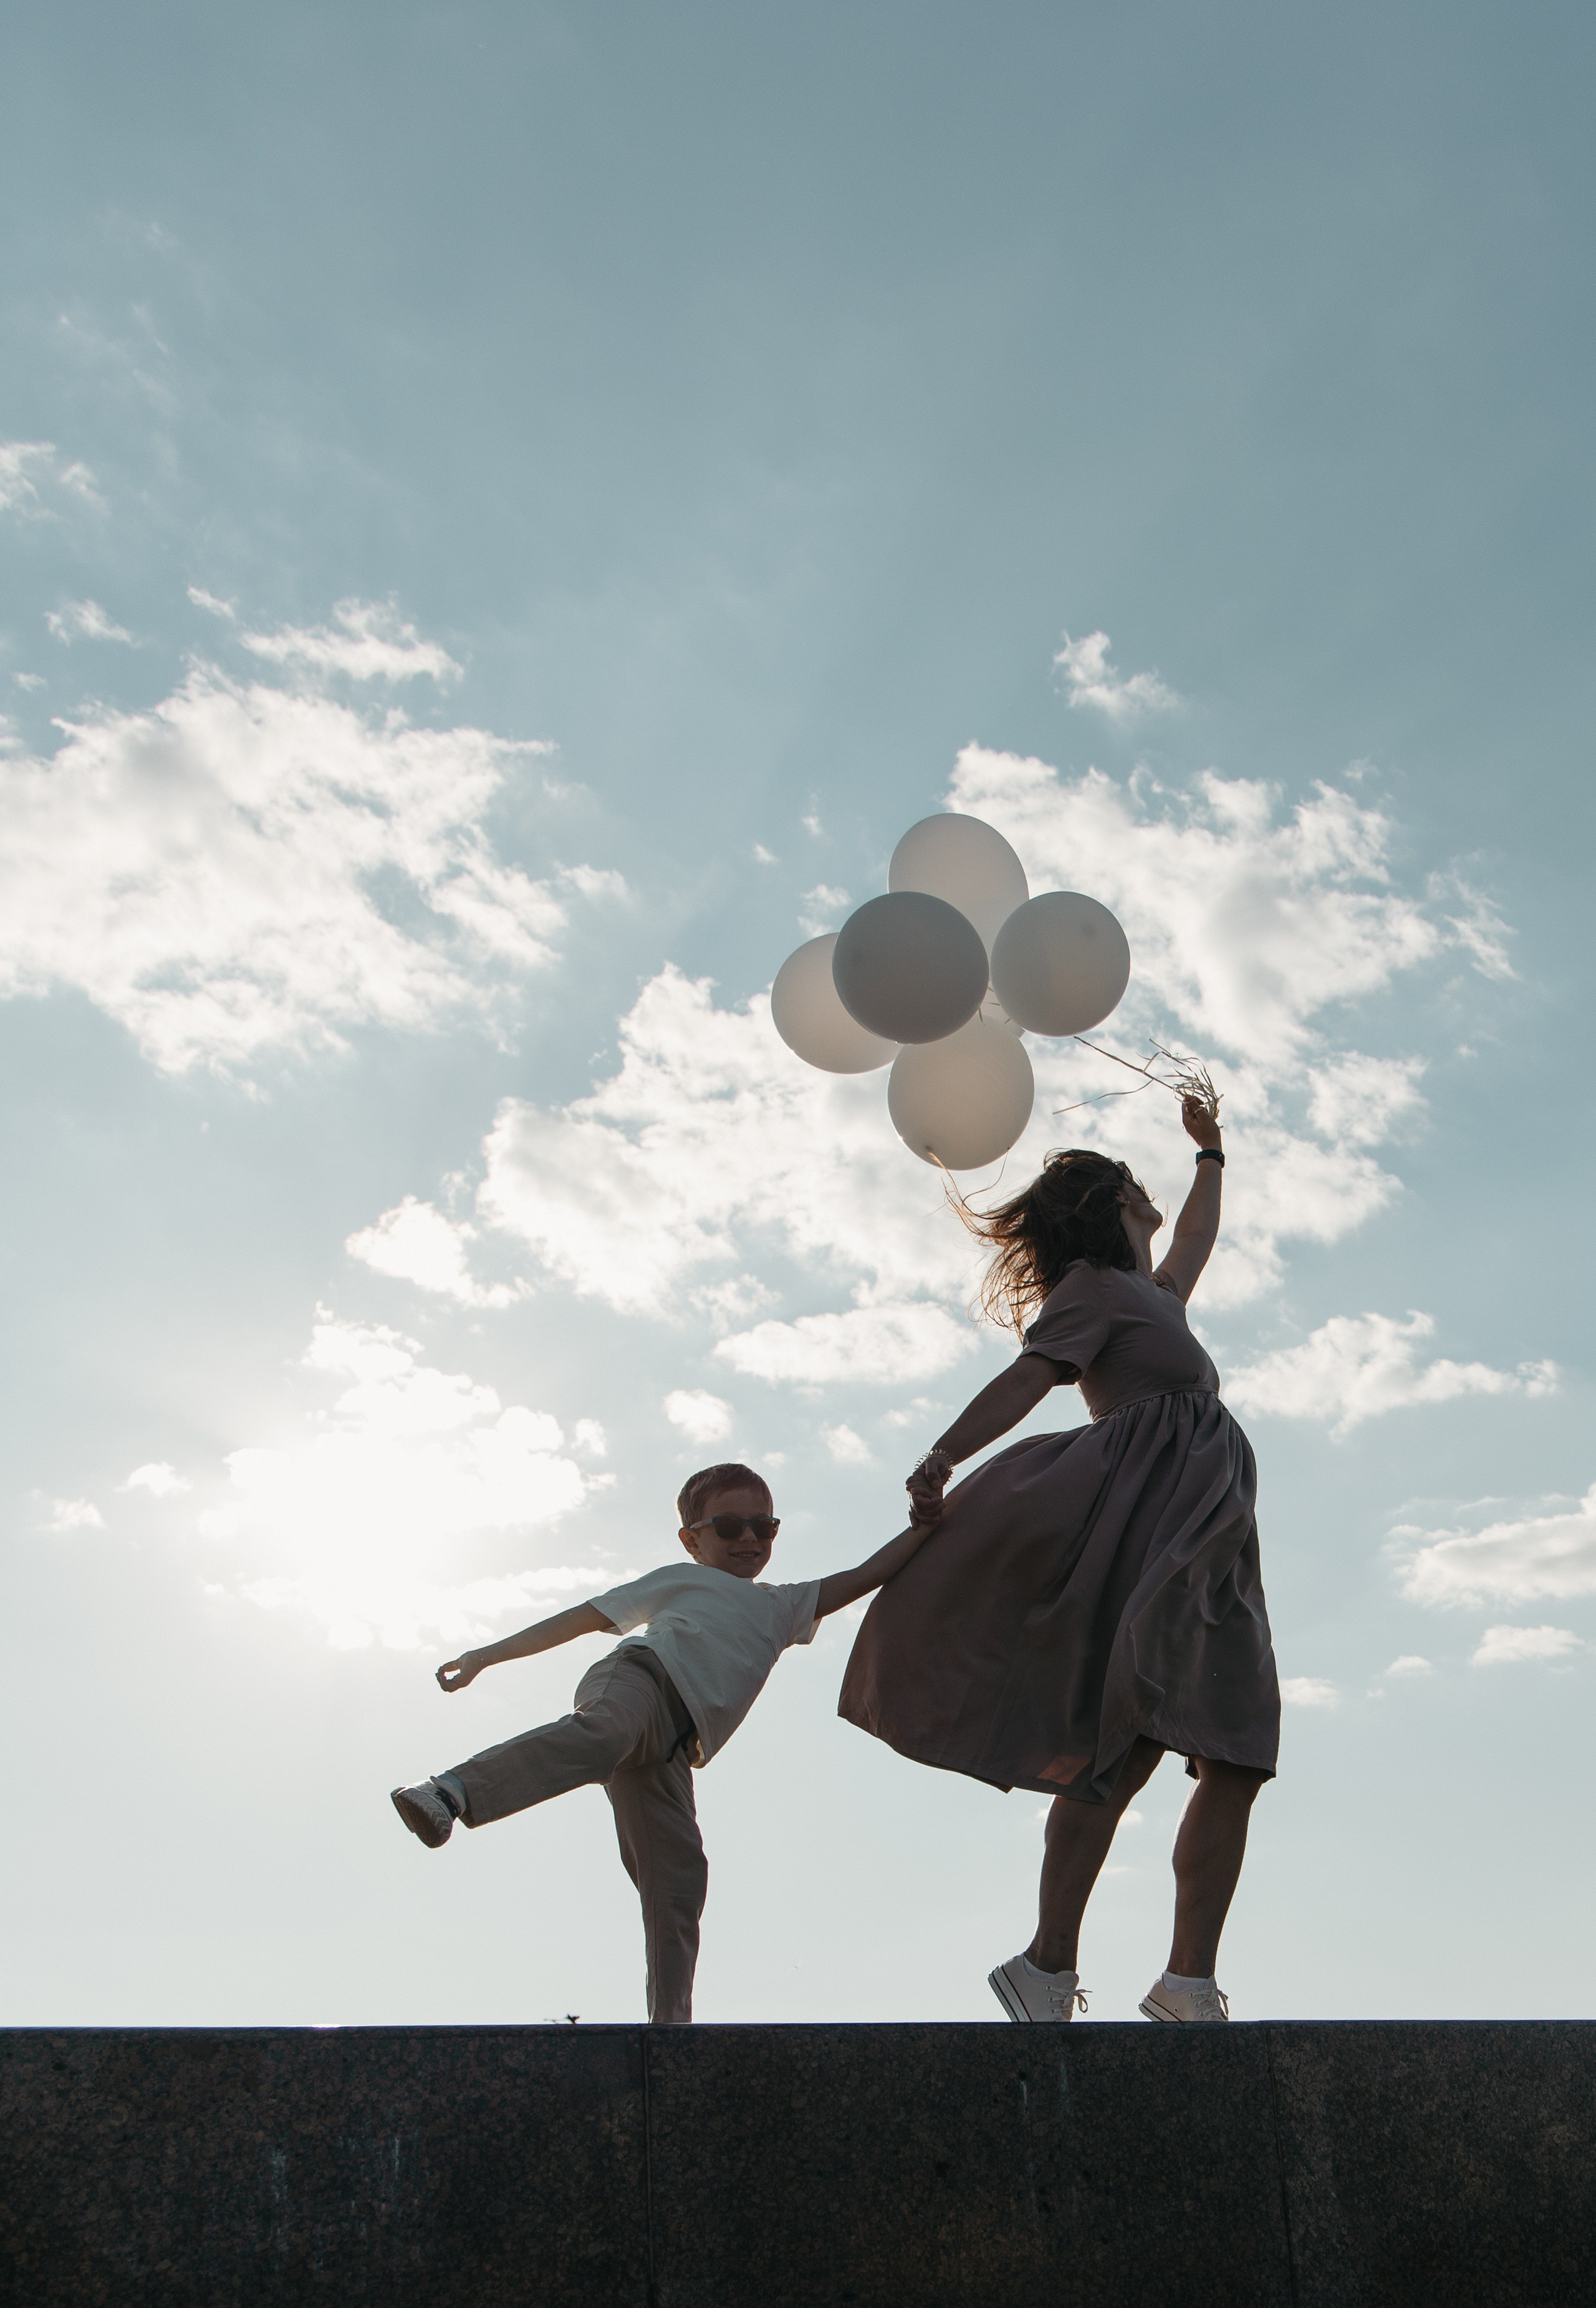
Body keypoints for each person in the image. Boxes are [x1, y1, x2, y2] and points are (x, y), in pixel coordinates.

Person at [838, 1098, 1279, 2024]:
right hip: (1152, 1524)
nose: (1153, 1198)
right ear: (1114, 1199)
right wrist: (943, 1455)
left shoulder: (1156, 1295)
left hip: (1216, 1537)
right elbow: (1031, 1376)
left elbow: (1195, 1239)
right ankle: (1047, 1967)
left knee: (1237, 1750)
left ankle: (1187, 1981)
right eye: (1141, 1185)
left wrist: (1211, 1154)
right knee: (1122, 1748)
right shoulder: (1091, 1287)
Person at [391, 1461, 936, 2024]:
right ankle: (448, 1792)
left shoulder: (785, 1605)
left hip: (676, 1745)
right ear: (692, 1540)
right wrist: (486, 1655)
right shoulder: (684, 1577)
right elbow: (581, 1618)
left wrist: (925, 1525)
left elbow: (867, 1573)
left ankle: (671, 2032)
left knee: (680, 1878)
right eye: (729, 1527)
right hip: (639, 1682)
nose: (748, 1537)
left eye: (764, 1526)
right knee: (607, 1733)